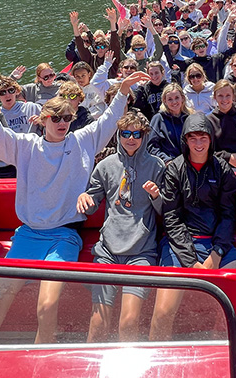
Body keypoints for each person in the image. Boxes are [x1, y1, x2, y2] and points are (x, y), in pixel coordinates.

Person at [0, 69, 149, 345]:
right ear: (43, 119)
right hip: (27, 235)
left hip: (64, 236)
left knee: (46, 306)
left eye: (67, 118)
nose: (62, 122)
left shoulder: (82, 141)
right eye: (56, 118)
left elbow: (108, 122)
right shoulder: (24, 146)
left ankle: (40, 361)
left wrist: (122, 91)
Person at [148, 114, 236, 341]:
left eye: (203, 137)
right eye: (192, 138)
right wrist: (190, 261)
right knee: (163, 312)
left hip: (216, 242)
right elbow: (171, 218)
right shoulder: (174, 169)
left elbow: (227, 215)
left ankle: (226, 351)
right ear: (185, 141)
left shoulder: (223, 170)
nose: (198, 143)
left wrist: (217, 253)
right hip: (180, 245)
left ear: (211, 139)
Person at [76, 111, 165, 342]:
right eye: (126, 133)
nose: (131, 138)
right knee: (98, 324)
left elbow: (167, 211)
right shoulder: (105, 166)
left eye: (137, 133)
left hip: (142, 252)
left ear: (144, 136)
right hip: (107, 252)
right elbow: (92, 204)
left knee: (128, 322)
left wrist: (156, 197)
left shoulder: (157, 166)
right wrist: (85, 199)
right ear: (119, 135)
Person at [0, 75, 41, 177]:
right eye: (3, 92)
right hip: (6, 164)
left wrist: (42, 121)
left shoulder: (32, 107)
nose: (7, 95)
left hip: (30, 158)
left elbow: (52, 126)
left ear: (16, 91)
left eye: (11, 90)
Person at [147, 83, 193, 164]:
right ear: (164, 101)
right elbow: (152, 146)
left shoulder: (190, 117)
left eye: (177, 98)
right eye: (170, 99)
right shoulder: (158, 119)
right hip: (168, 165)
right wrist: (166, 160)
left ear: (182, 98)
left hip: (190, 164)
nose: (174, 102)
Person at [71, 9, 121, 78]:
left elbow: (114, 42)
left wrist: (112, 22)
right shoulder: (91, 58)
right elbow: (80, 46)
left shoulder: (112, 57)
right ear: (95, 49)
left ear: (107, 48)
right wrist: (74, 26)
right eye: (98, 48)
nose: (100, 49)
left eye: (103, 47)